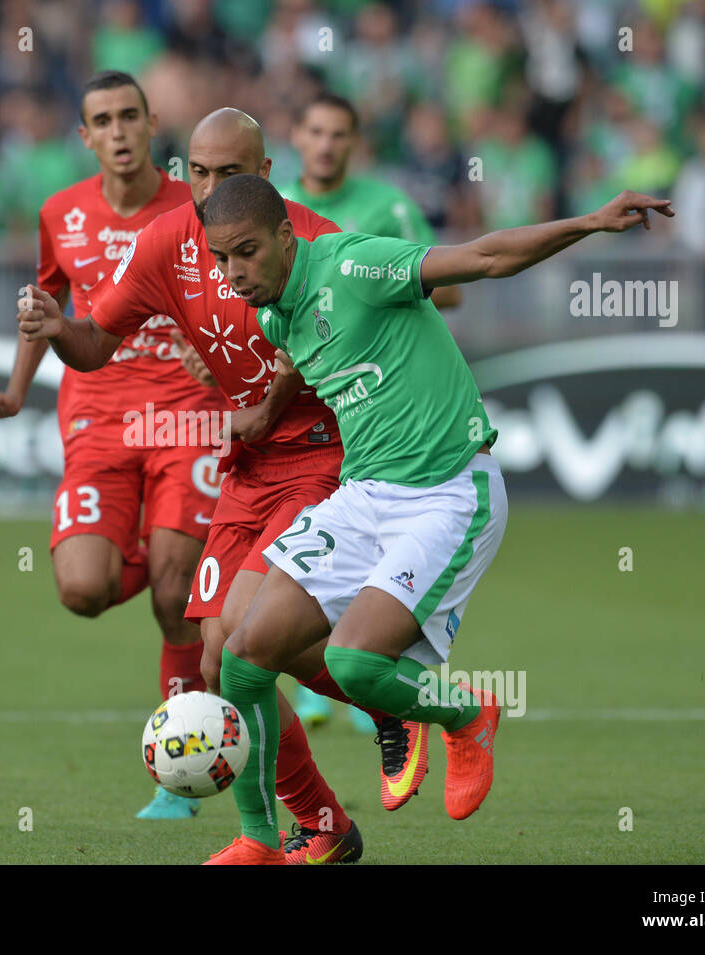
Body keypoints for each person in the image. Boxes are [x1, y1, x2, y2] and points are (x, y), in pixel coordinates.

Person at [197, 173, 672, 863]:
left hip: (448, 493)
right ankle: (261, 840)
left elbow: (482, 258)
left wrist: (590, 222)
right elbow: (306, 357)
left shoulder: (354, 263)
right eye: (221, 259)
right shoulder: (277, 314)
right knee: (241, 658)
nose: (234, 273)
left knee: (354, 663)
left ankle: (467, 714)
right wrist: (267, 410)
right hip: (364, 497)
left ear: (285, 235)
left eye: (246, 252)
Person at [14, 108, 434, 865]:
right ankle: (328, 816)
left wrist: (273, 396)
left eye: (229, 174)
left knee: (242, 641)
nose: (208, 190)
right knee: (220, 661)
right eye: (198, 173)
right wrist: (54, 326)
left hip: (320, 457)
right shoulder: (168, 242)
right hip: (245, 468)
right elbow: (96, 344)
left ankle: (386, 717)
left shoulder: (316, 238)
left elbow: (365, 330)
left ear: (266, 174)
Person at [0, 72, 223, 821]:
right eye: (102, 120)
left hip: (186, 415)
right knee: (83, 590)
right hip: (97, 417)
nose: (118, 131)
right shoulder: (59, 213)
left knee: (176, 596)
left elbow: (243, 291)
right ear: (85, 136)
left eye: (130, 116)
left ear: (152, 121)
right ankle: (173, 560)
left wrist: (227, 364)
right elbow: (44, 310)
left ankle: (179, 774)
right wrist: (12, 392)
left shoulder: (197, 207)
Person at [281, 89, 458, 732]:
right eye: (315, 130)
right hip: (309, 401)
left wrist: (372, 297)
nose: (326, 144)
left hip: (380, 404)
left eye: (339, 134)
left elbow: (449, 286)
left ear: (354, 142)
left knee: (381, 527)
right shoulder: (278, 220)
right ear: (294, 136)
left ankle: (370, 672)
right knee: (320, 533)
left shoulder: (384, 208)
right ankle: (328, 680)